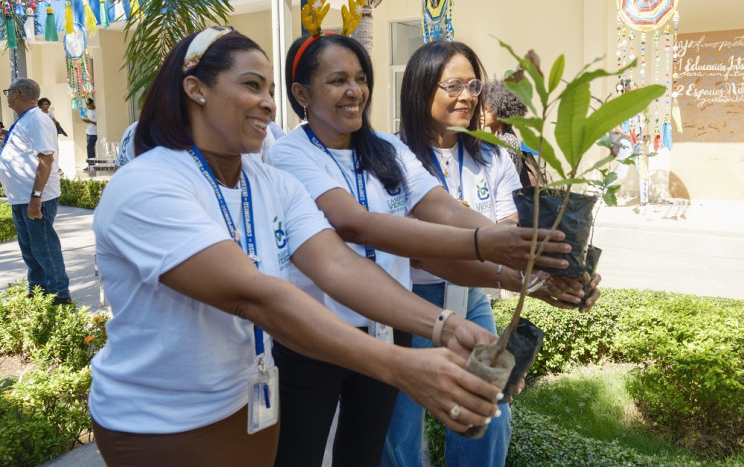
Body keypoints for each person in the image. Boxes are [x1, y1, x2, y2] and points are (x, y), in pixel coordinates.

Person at [89, 27, 504, 466]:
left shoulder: (270, 183)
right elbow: (255, 296)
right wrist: (399, 365)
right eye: (252, 85)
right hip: (159, 424)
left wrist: (442, 324)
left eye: (269, 89)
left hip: (246, 406)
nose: (269, 102)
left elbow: (339, 265)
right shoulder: (148, 185)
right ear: (196, 89)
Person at [267, 33, 574, 466]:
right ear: (301, 93)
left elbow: (442, 208)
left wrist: (523, 255)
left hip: (389, 324)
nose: (354, 90)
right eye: (337, 80)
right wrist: (488, 243)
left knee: (368, 453)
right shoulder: (290, 155)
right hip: (318, 338)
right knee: (301, 454)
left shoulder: (387, 150)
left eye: (360, 78)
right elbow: (355, 223)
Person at [384, 40, 601, 467]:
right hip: (408, 302)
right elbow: (416, 253)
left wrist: (558, 274)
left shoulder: (493, 155)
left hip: (473, 302)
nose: (467, 95)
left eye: (473, 84)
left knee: (488, 412)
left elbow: (508, 237)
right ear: (420, 89)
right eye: (453, 85)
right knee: (400, 429)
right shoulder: (392, 156)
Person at [0, 79, 71, 304]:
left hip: (35, 198)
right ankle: (38, 290)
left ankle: (59, 294)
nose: (7, 95)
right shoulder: (25, 120)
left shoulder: (37, 120)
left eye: (8, 92)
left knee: (44, 247)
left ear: (17, 93)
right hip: (21, 197)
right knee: (30, 249)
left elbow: (46, 160)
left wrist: (36, 198)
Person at [481, 79, 527, 179]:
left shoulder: (508, 142)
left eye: (487, 110)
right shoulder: (496, 137)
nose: (481, 114)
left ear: (501, 112)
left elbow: (496, 177)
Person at [83, 97, 98, 164]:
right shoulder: (88, 111)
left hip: (95, 132)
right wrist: (86, 121)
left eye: (89, 105)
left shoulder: (97, 111)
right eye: (87, 106)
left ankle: (92, 164)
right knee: (89, 148)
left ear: (92, 103)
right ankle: (91, 164)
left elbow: (98, 123)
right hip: (88, 132)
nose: (88, 107)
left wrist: (90, 121)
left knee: (90, 147)